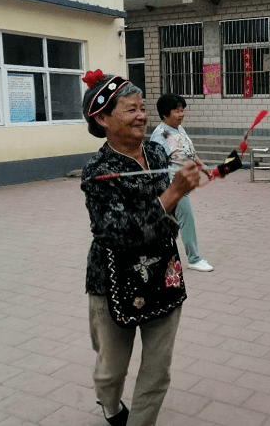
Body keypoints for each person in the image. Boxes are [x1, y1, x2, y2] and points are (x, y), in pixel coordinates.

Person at [80, 70, 201, 426]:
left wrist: (185, 182)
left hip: (164, 272)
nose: (142, 115)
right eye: (131, 109)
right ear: (102, 118)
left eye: (143, 107)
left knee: (157, 371)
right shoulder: (97, 172)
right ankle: (111, 405)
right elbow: (116, 233)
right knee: (110, 373)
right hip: (112, 280)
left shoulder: (156, 151)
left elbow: (169, 202)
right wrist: (173, 193)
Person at [150, 93, 214, 272]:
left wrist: (204, 168)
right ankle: (194, 259)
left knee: (169, 223)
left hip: (184, 183)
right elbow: (156, 164)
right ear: (165, 114)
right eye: (176, 111)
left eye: (182, 110)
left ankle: (155, 255)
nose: (181, 114)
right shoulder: (160, 135)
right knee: (187, 219)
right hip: (173, 185)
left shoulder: (179, 129)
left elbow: (190, 153)